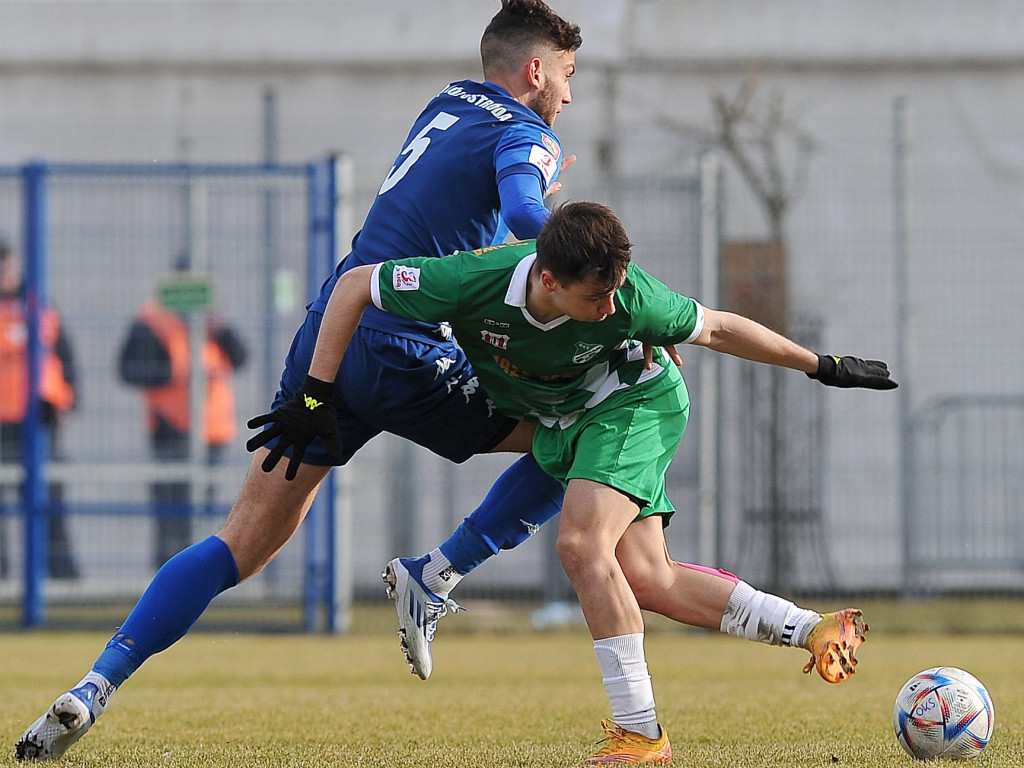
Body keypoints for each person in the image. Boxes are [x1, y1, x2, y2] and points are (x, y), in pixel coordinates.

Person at [15, 0, 583, 759]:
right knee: (576, 435)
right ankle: (436, 574)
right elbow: (519, 213)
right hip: (403, 345)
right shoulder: (527, 131)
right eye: (569, 76)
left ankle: (96, 682)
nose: (570, 97)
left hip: (331, 334)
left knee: (241, 540)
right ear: (536, 69)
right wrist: (574, 236)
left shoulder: (448, 101)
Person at [250, 201, 897, 763]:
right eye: (597, 297)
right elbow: (356, 284)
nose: (613, 307)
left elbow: (718, 326)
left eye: (617, 293)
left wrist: (823, 366)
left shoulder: (630, 297)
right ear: (549, 280)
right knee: (649, 580)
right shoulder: (472, 283)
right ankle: (814, 629)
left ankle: (640, 735)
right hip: (566, 421)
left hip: (634, 405)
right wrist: (314, 395)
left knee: (580, 546)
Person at [117, 261, 249, 567]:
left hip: (212, 430)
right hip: (170, 427)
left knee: (204, 507)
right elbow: (128, 368)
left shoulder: (214, 321)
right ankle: (167, 572)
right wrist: (168, 374)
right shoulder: (151, 319)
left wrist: (222, 327)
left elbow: (241, 356)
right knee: (172, 507)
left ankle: (196, 572)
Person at [0, 238, 80, 581]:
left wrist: (66, 401)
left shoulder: (40, 306)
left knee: (49, 502)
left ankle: (62, 581)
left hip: (38, 421)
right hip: (4, 421)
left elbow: (64, 359)